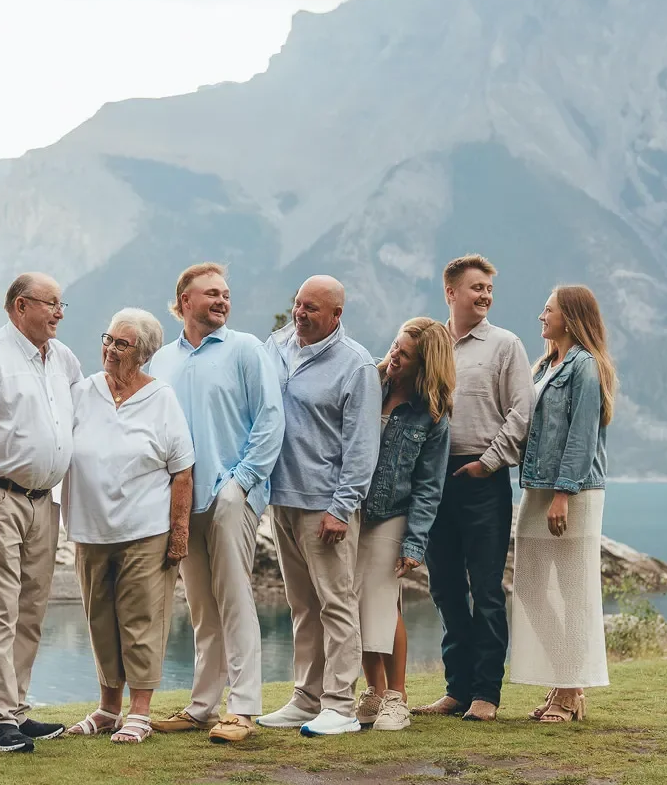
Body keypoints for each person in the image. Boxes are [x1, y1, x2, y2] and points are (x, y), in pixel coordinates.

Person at [147, 263, 284, 745]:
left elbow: (271, 418)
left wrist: (241, 483)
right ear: (184, 301)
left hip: (231, 495)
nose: (222, 301)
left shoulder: (246, 348)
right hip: (181, 500)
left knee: (235, 597)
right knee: (202, 604)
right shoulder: (160, 361)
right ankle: (203, 705)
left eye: (226, 294)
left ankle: (243, 707)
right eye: (211, 294)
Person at [0, 273, 82, 753]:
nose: (59, 313)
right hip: (0, 498)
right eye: (52, 304)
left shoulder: (63, 358)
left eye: (61, 305)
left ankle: (17, 710)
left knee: (30, 611)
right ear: (21, 305)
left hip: (43, 501)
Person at [62, 309, 195, 744]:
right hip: (91, 530)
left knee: (140, 622)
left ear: (143, 354)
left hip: (146, 531)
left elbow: (182, 471)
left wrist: (179, 535)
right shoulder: (83, 392)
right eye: (109, 339)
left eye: (122, 344)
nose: (110, 349)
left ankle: (139, 711)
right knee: (100, 622)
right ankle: (106, 708)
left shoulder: (162, 399)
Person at [258, 275, 381, 738]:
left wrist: (341, 506)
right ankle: (305, 699)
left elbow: (362, 447)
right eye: (297, 304)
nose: (300, 314)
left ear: (336, 316)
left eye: (311, 308)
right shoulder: (276, 347)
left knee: (336, 605)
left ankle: (340, 706)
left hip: (325, 507)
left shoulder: (356, 366)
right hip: (282, 499)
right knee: (302, 606)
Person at [413, 254, 533, 724]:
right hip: (433, 480)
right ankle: (456, 689)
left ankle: (486, 693)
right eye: (475, 288)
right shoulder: (431, 343)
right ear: (450, 292)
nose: (484, 295)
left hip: (483, 480)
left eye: (488, 288)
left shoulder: (505, 345)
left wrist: (487, 464)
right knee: (442, 588)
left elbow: (521, 413)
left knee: (485, 589)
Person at [510, 285, 617, 723]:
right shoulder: (545, 366)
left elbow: (581, 436)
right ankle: (566, 677)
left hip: (571, 493)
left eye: (548, 310)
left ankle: (570, 691)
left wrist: (562, 494)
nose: (541, 315)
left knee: (573, 591)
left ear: (569, 318)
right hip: (537, 488)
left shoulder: (585, 368)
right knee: (531, 587)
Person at [355, 318, 453, 732]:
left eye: (405, 354)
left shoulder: (431, 416)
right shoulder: (366, 385)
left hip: (390, 514)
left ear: (424, 365)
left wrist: (414, 544)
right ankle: (373, 693)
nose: (394, 356)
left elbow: (429, 487)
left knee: (383, 602)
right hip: (350, 509)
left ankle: (397, 697)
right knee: (355, 604)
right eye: (395, 346)